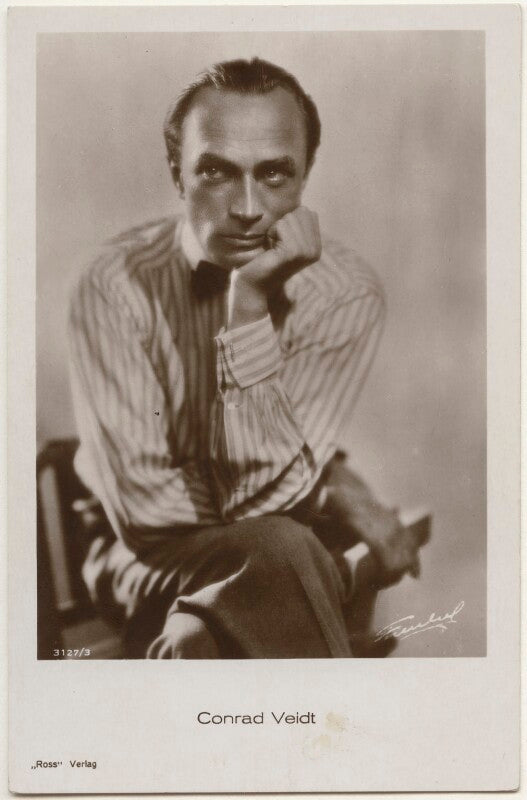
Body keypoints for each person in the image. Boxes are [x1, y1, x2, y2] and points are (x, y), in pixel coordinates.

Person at [68, 57, 421, 659]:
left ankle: (191, 646)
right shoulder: (111, 283)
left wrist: (246, 306)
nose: (249, 208)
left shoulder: (344, 293)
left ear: (305, 176)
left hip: (281, 544)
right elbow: (148, 515)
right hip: (137, 559)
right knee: (288, 548)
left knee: (266, 569)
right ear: (177, 173)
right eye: (217, 171)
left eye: (275, 174)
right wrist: (322, 484)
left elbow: (269, 502)